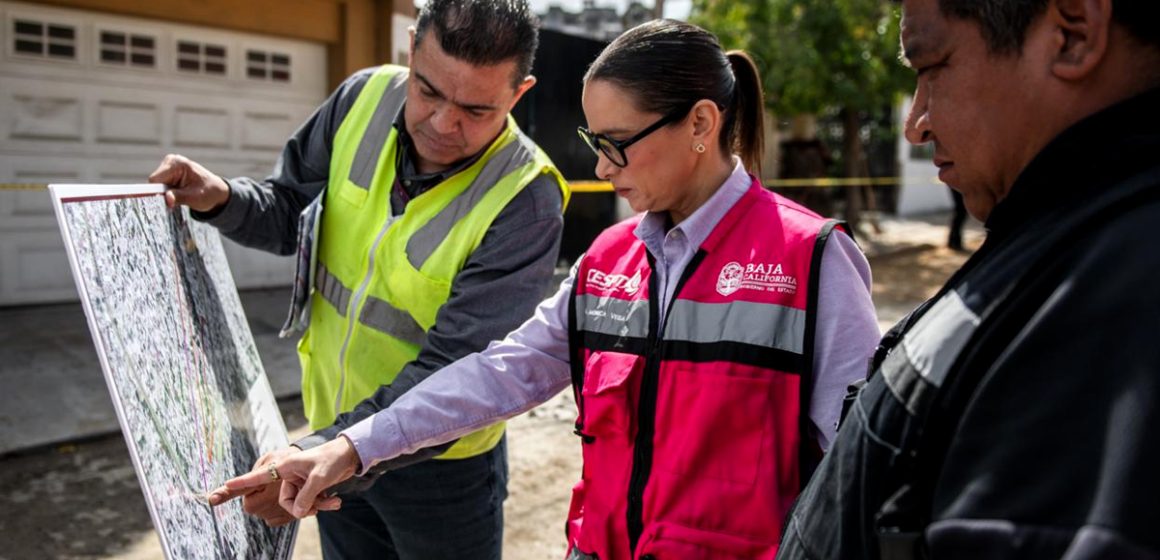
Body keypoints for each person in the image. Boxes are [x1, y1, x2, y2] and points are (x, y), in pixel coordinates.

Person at [219, 19, 882, 560]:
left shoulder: (813, 262)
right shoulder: (610, 261)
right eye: (595, 141)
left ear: (702, 125)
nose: (599, 166)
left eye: (616, 144)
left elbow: (861, 478)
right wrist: (347, 447)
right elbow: (498, 373)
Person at [150, 0, 569, 557]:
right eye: (429, 91)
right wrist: (222, 198)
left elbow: (458, 367)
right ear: (412, 49)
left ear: (519, 94)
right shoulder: (363, 98)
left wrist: (335, 450)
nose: (444, 124)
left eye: (476, 109)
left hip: (438, 470)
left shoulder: (526, 198)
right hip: (329, 436)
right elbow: (288, 211)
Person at [777, 0, 1160, 558]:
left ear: (1072, 35)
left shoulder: (1118, 305)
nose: (915, 124)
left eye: (931, 66)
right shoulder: (1064, 245)